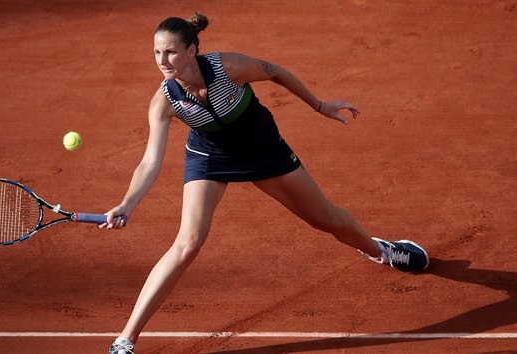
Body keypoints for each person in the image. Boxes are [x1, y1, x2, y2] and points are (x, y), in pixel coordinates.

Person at [103, 12, 429, 354]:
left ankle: (381, 251)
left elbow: (274, 71)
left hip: (262, 149)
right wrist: (127, 203)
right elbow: (150, 162)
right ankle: (126, 339)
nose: (162, 61)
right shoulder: (164, 101)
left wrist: (319, 106)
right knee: (187, 244)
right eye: (156, 53)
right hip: (211, 157)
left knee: (326, 219)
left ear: (192, 50)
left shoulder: (228, 68)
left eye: (170, 52)